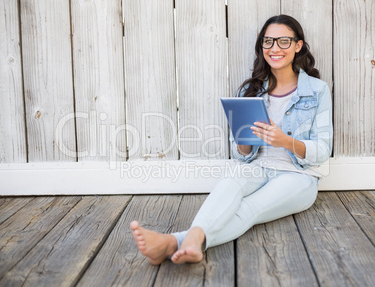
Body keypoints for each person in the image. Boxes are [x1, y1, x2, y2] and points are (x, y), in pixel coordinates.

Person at [130, 14, 333, 265]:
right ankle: (190, 241)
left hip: (298, 176)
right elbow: (242, 154)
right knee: (231, 182)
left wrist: (285, 141)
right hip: (258, 168)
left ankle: (176, 242)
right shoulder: (251, 90)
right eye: (268, 42)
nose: (274, 49)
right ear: (261, 46)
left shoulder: (317, 90)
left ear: (297, 46)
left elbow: (323, 149)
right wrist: (243, 138)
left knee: (250, 208)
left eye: (283, 41)